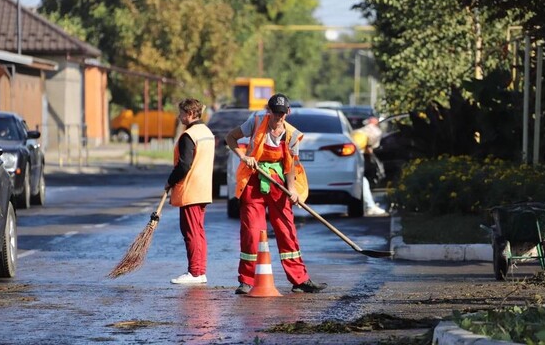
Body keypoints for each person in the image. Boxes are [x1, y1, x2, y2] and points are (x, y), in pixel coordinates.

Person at [225, 93, 327, 295]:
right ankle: (246, 281)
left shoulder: (292, 135)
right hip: (254, 180)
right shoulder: (255, 122)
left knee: (286, 229)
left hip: (278, 182)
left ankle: (299, 280)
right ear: (268, 111)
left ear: (287, 112)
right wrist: (244, 157)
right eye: (275, 113)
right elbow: (231, 138)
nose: (278, 117)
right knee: (252, 232)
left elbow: (290, 167)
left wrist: (292, 190)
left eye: (282, 113)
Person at [166, 98, 215, 285]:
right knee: (198, 231)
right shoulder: (207, 132)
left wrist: (170, 181)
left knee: (191, 232)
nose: (179, 117)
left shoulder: (189, 135)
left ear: (191, 114)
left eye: (181, 114)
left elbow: (184, 165)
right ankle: (199, 271)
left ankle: (195, 272)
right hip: (203, 189)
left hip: (191, 190)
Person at [352, 117, 387, 216]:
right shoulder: (374, 131)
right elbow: (370, 148)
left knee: (362, 181)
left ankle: (369, 205)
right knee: (362, 181)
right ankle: (370, 206)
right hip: (355, 157)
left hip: (349, 158)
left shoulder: (359, 132)